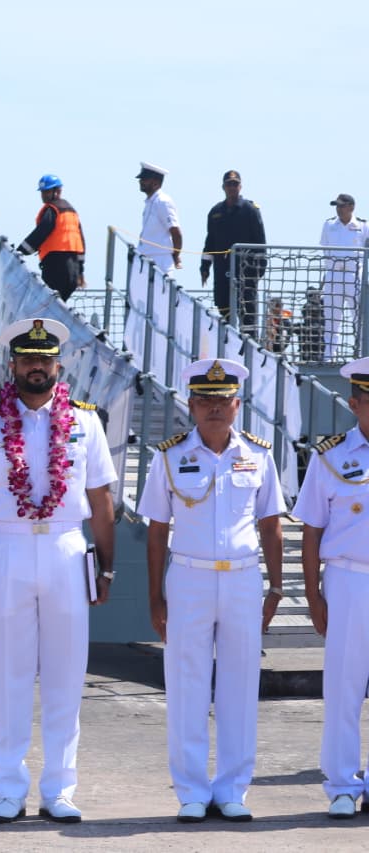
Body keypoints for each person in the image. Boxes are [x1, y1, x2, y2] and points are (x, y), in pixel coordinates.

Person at [0, 317, 117, 825]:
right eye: (28, 359)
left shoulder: (87, 422)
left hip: (69, 548)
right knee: (8, 672)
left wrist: (106, 570)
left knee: (68, 674)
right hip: (7, 548)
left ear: (58, 365)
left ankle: (60, 788)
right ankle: (8, 789)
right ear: (14, 364)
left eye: (45, 360)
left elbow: (101, 498)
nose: (37, 367)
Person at [139, 358, 284, 823]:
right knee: (187, 684)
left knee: (241, 684)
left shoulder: (260, 455)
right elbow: (158, 529)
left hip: (242, 576)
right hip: (190, 576)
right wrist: (155, 596)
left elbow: (271, 525)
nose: (214, 409)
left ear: (237, 405)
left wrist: (276, 588)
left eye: (223, 401)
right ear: (191, 405)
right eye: (205, 401)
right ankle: (191, 791)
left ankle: (234, 788)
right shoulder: (168, 456)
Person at [293, 356, 369, 819]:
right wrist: (313, 595)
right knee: (343, 684)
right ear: (355, 403)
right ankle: (342, 783)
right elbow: (312, 529)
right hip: (349, 578)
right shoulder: (331, 455)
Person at [199, 170, 267, 334]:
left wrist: (258, 271)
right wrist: (205, 266)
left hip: (246, 272)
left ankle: (249, 354)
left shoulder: (250, 210)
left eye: (235, 184)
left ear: (240, 186)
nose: (232, 188)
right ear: (223, 187)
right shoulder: (215, 213)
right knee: (224, 313)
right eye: (229, 184)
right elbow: (210, 242)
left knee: (247, 315)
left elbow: (260, 242)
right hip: (222, 271)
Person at [17, 174, 86, 301]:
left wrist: (20, 251)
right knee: (58, 302)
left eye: (47, 192)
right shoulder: (71, 212)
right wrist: (80, 271)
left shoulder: (52, 210)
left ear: (57, 191)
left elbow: (41, 231)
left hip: (56, 265)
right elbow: (81, 241)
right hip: (73, 269)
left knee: (48, 302)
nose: (43, 195)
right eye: (42, 192)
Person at [318, 193, 368, 360]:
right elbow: (325, 247)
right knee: (332, 318)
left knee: (359, 318)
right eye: (337, 206)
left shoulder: (363, 226)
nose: (339, 209)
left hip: (354, 276)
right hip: (334, 275)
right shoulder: (329, 225)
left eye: (342, 205)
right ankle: (329, 356)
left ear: (351, 207)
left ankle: (362, 355)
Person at [134, 162, 182, 280]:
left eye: (145, 179)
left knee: (160, 297)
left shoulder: (163, 202)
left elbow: (175, 232)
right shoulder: (151, 202)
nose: (141, 181)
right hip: (147, 260)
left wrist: (175, 255)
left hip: (160, 261)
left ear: (155, 182)